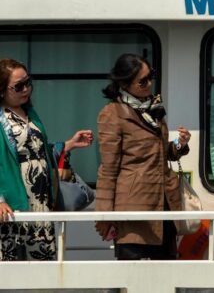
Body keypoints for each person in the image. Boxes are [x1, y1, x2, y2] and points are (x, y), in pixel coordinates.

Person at [94, 54, 191, 260]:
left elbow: (159, 152)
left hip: (164, 202)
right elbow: (108, 169)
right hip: (133, 206)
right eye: (143, 80)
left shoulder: (153, 109)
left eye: (151, 76)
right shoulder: (112, 113)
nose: (149, 84)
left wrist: (179, 145)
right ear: (125, 83)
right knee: (133, 274)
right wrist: (104, 215)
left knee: (166, 271)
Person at [0, 58, 93, 261]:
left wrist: (69, 144)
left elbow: (37, 151)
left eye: (28, 82)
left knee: (43, 264)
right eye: (19, 86)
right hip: (13, 204)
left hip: (41, 201)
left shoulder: (30, 113)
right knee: (11, 269)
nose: (26, 89)